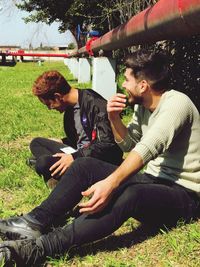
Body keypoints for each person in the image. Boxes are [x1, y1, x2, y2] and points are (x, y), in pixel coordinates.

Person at [0, 49, 200, 266]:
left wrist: (111, 183)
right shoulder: (143, 108)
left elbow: (147, 148)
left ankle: (40, 249)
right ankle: (34, 222)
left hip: (185, 195)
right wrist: (114, 118)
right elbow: (128, 145)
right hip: (153, 180)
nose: (123, 85)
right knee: (84, 165)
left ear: (143, 85)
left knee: (130, 192)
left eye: (126, 79)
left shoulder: (177, 104)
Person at [27, 70, 123, 187]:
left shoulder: (96, 104)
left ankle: (59, 176)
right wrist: (63, 142)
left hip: (95, 159)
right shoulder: (70, 107)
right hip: (78, 153)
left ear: (57, 97)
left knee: (42, 163)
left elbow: (106, 144)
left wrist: (74, 157)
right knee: (36, 143)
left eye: (49, 104)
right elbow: (80, 138)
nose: (50, 108)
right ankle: (59, 172)